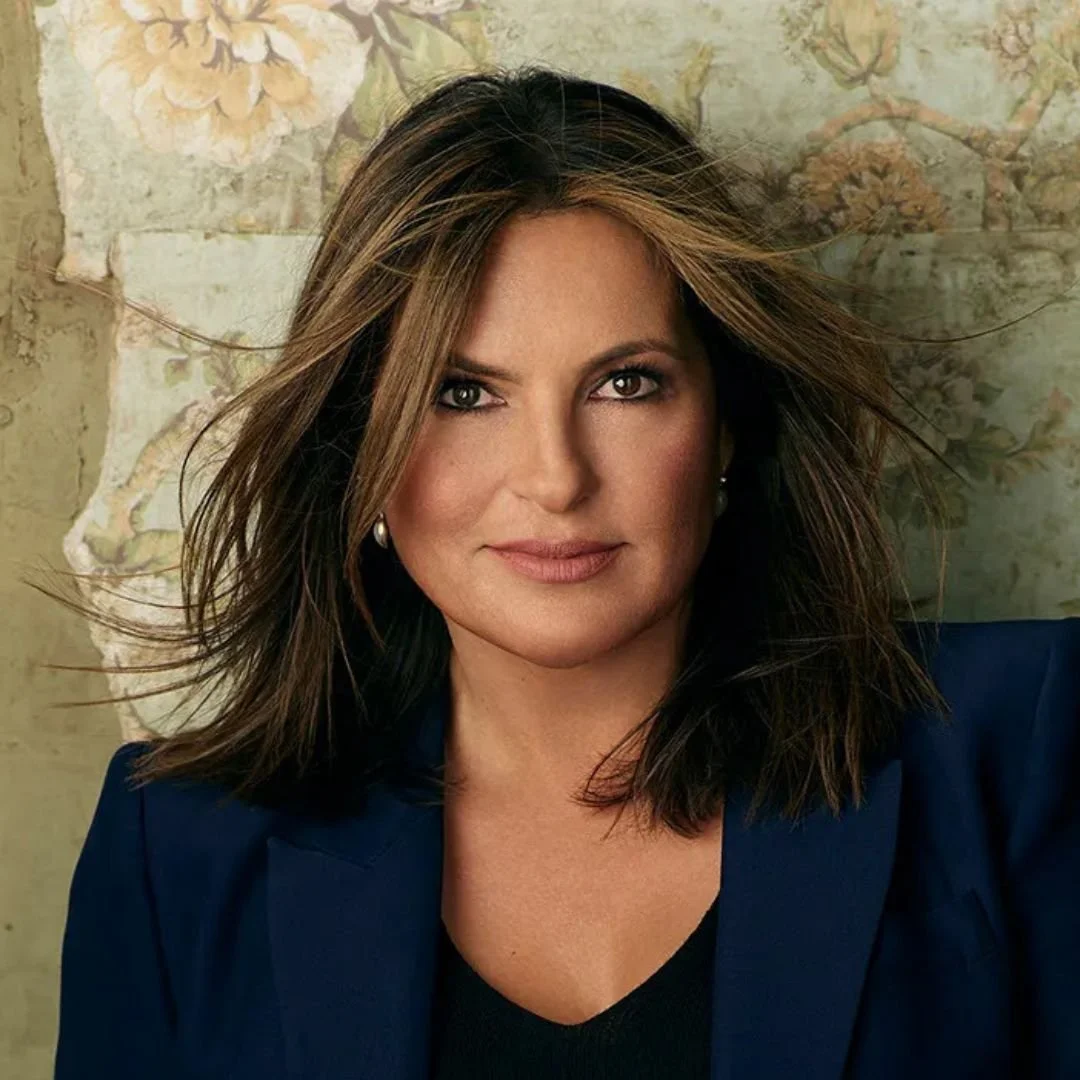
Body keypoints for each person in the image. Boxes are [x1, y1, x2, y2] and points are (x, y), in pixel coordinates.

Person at [50, 67, 1080, 1079]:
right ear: (358, 445)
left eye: (627, 384)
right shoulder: (178, 849)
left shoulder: (1017, 749)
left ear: (724, 426)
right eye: (463, 393)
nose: (555, 478)